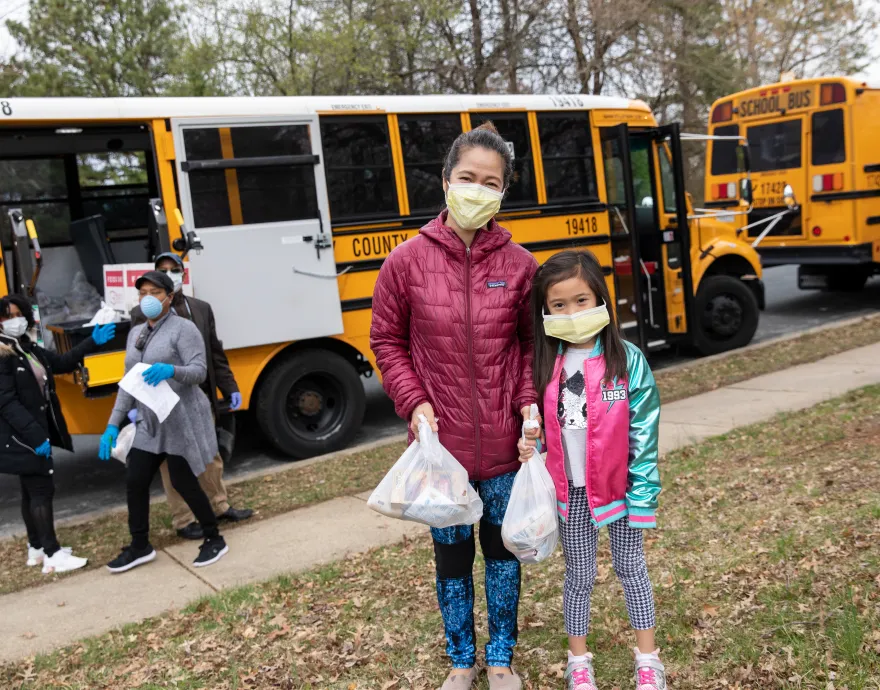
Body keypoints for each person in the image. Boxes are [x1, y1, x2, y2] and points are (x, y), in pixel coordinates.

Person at [371, 122, 541, 690]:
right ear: (445, 181)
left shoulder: (521, 266)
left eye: (490, 183)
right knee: (450, 559)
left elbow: (528, 346)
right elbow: (387, 342)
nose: (477, 189)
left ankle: (500, 659)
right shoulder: (405, 263)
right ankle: (462, 661)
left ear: (502, 193)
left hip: (504, 449)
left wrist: (528, 409)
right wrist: (414, 402)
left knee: (500, 555)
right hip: (437, 453)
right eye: (467, 177)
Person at [518, 250, 664, 690]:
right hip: (571, 494)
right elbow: (541, 431)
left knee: (631, 568)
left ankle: (648, 658)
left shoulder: (628, 359)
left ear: (600, 298)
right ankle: (578, 661)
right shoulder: (545, 364)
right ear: (545, 312)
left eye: (581, 301)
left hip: (619, 490)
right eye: (559, 305)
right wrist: (530, 444)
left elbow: (644, 432)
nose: (572, 312)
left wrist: (641, 497)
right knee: (578, 576)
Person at [98, 270, 228, 572]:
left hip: (180, 418)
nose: (148, 298)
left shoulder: (184, 329)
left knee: (184, 481)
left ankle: (214, 537)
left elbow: (199, 371)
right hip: (150, 422)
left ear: (170, 296)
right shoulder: (136, 333)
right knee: (135, 480)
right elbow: (129, 382)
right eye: (142, 292)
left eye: (155, 292)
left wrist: (171, 370)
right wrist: (112, 425)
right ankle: (140, 545)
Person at [129, 252, 252, 540]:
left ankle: (219, 506)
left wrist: (229, 387)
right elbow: (134, 365)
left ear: (182, 276)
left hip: (197, 399)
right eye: (163, 270)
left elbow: (214, 353)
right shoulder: (140, 315)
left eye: (174, 270)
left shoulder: (201, 308)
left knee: (210, 455)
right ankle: (183, 520)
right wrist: (135, 405)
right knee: (172, 465)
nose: (169, 273)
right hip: (162, 403)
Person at [0, 294, 116, 574]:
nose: (12, 320)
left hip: (28, 435)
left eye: (16, 314)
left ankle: (37, 548)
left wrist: (92, 341)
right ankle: (52, 554)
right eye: (5, 316)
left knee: (31, 492)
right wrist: (36, 437)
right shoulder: (3, 353)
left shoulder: (25, 347)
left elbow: (61, 362)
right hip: (23, 437)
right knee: (41, 490)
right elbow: (6, 402)